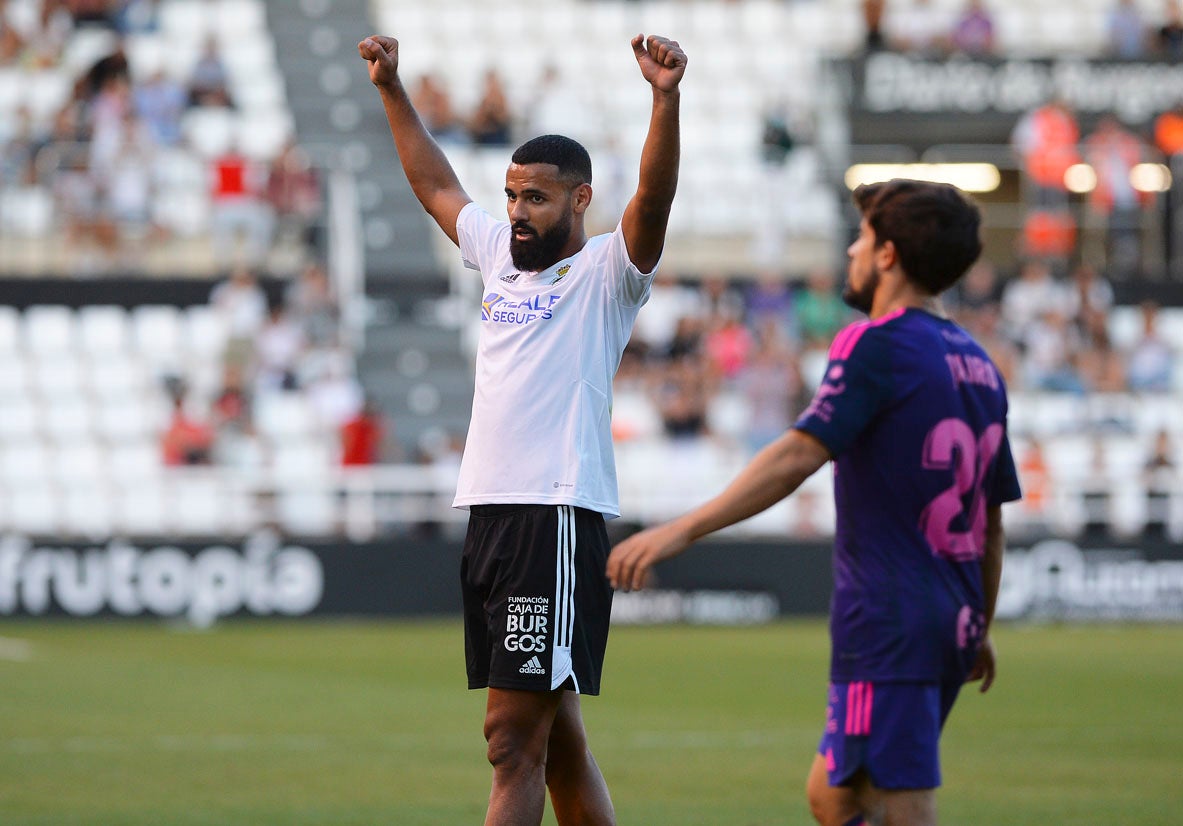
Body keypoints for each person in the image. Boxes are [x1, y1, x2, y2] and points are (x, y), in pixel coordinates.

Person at [607, 179, 1022, 826]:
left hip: (889, 617)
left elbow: (800, 453)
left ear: (886, 255)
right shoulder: (977, 364)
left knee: (900, 801)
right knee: (835, 794)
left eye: (859, 239)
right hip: (946, 613)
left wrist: (678, 531)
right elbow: (990, 524)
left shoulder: (872, 344)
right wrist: (976, 622)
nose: (851, 252)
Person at [359, 28, 686, 826]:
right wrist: (392, 89)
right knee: (557, 738)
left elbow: (654, 197)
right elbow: (434, 182)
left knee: (511, 742)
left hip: (554, 513)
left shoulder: (608, 271)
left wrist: (663, 100)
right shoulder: (500, 255)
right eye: (509, 196)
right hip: (493, 512)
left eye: (533, 197)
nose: (515, 212)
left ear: (578, 199)